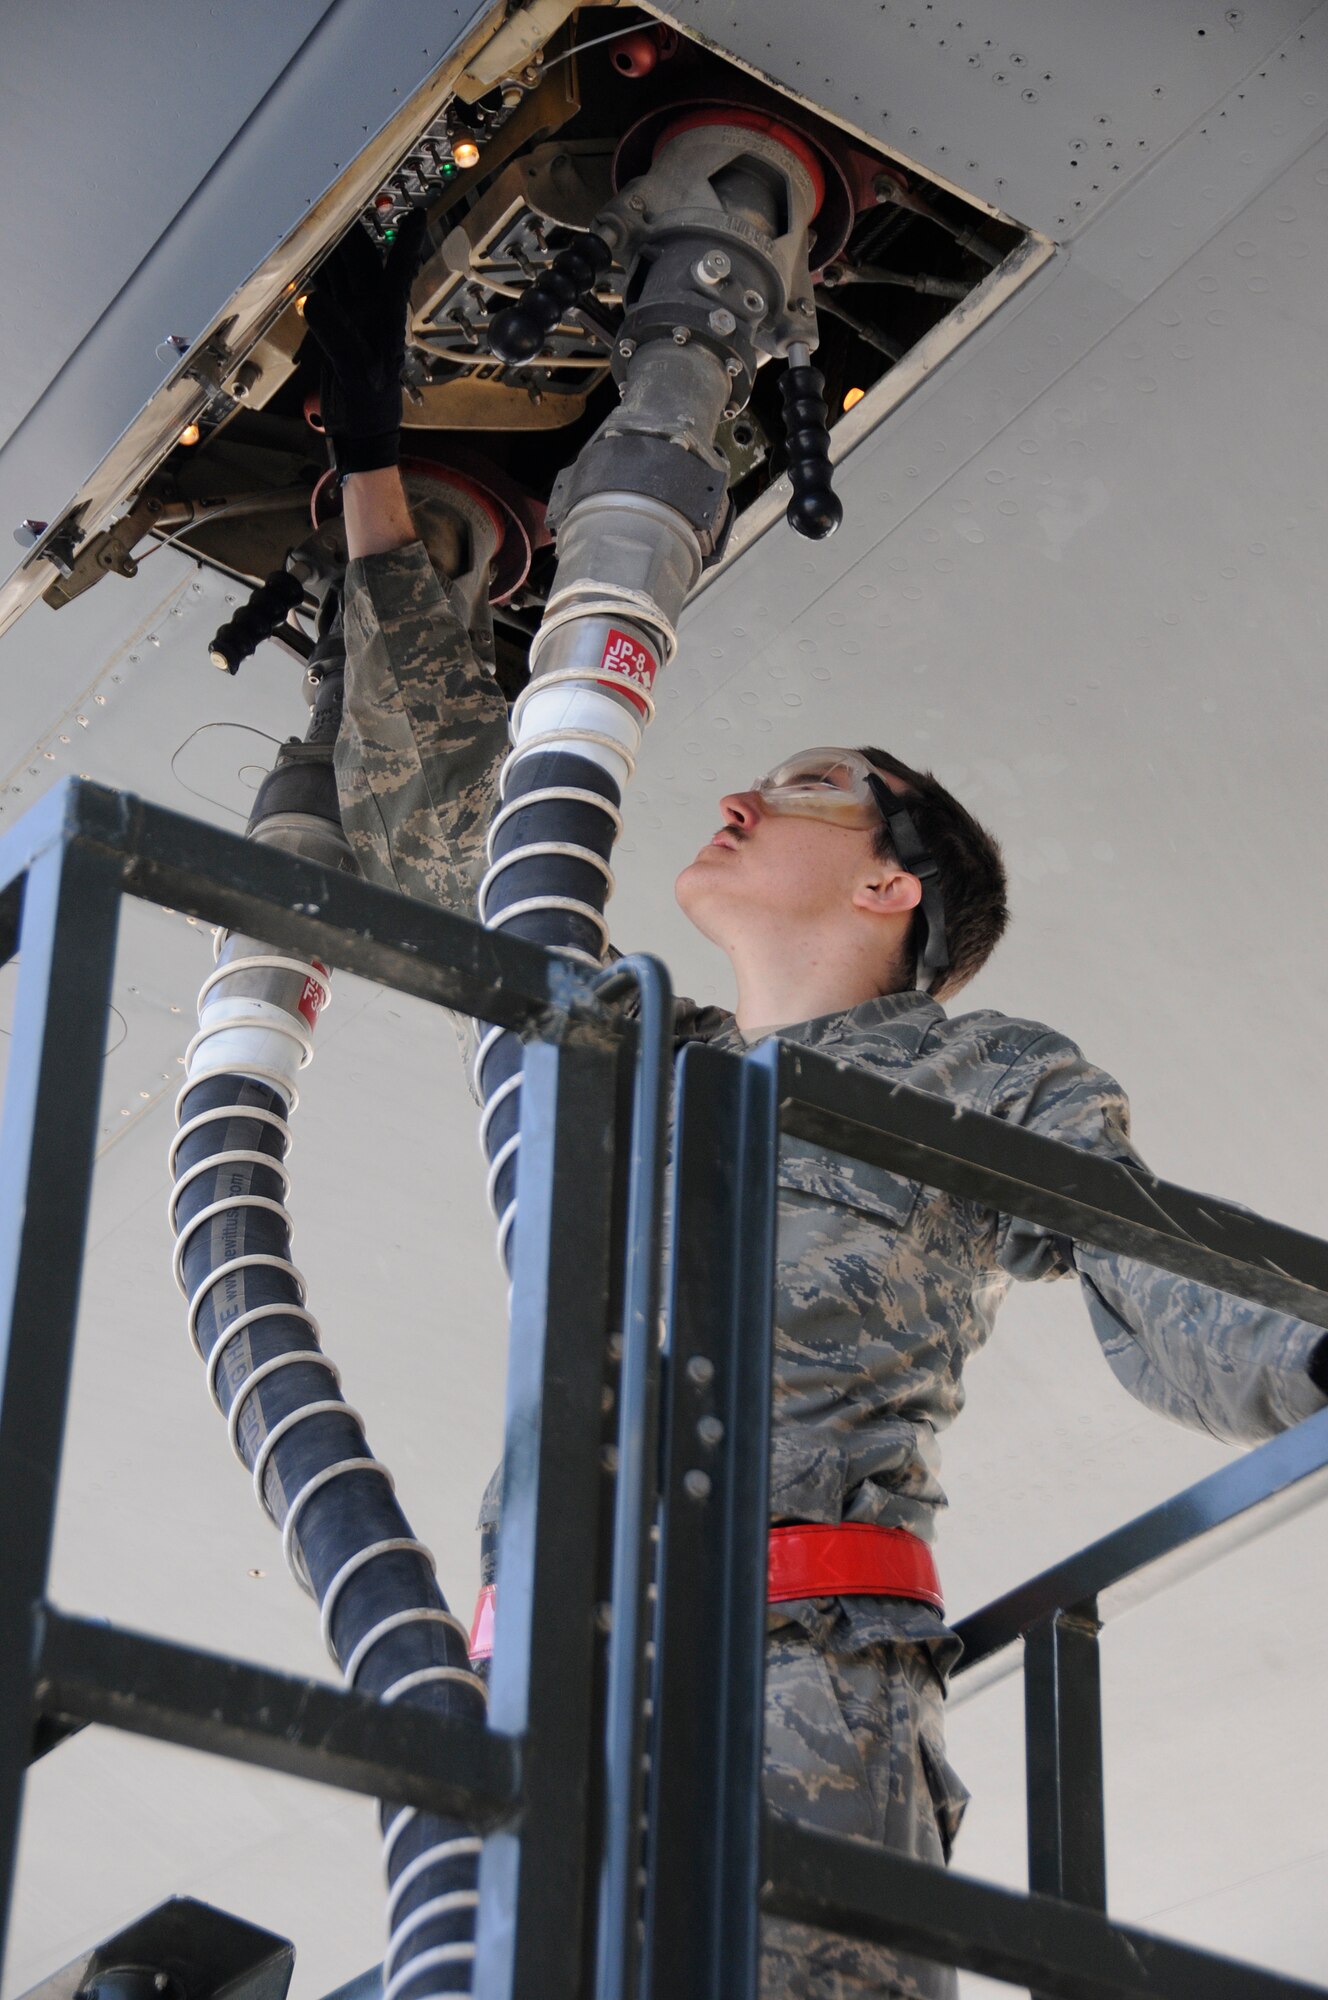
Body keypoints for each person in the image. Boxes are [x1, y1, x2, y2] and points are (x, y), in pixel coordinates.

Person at [305, 237, 1328, 2000]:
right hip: (533, 1694)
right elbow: (457, 842)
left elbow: (1144, 1259)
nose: (735, 797)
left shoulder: (977, 1071)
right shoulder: (635, 1050)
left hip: (787, 1691)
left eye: (801, 791)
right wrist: (376, 481)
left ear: (888, 889)